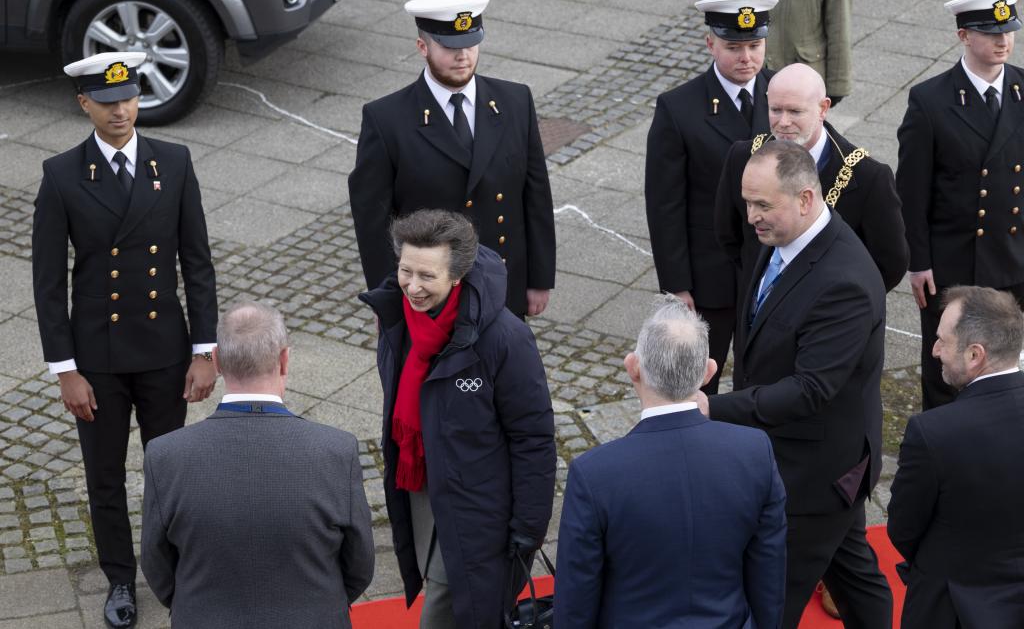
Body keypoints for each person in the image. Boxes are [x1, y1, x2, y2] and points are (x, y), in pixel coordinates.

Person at [32, 52, 217, 629]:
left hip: (164, 350)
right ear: (83, 103)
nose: (122, 110)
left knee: (169, 472)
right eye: (108, 101)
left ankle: (176, 572)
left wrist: (204, 352)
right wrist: (66, 369)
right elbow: (47, 283)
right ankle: (119, 579)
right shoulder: (62, 175)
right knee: (104, 476)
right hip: (98, 361)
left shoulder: (175, 161)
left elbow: (197, 263)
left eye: (130, 97)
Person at [706, 140, 892, 629]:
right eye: (748, 202)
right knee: (853, 571)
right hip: (818, 462)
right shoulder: (783, 240)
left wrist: (710, 410)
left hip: (814, 474)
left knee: (770, 602)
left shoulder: (843, 282)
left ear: (807, 199)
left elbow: (811, 389)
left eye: (763, 205)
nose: (751, 217)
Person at [359, 209, 556, 628]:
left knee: (449, 611)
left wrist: (529, 526)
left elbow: (533, 438)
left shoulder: (506, 339)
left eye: (427, 276)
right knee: (438, 589)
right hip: (420, 490)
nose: (412, 286)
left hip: (477, 507)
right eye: (405, 271)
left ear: (458, 276)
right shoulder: (397, 321)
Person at [555, 294, 787, 628]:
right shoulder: (754, 452)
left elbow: (576, 599)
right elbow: (768, 573)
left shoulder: (595, 475)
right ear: (708, 372)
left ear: (632, 366)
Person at [141, 301, 374, 627]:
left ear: (218, 362)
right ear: (284, 360)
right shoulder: (336, 451)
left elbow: (157, 565)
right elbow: (359, 565)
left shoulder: (165, 456)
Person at [349, 0, 555, 318]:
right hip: (431, 298)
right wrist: (389, 301)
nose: (463, 56)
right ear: (423, 47)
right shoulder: (387, 120)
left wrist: (539, 278)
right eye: (450, 47)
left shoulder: (515, 101)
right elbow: (373, 223)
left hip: (503, 286)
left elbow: (536, 195)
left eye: (471, 45)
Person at [896, 0, 1024, 409]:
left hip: (1015, 257)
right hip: (956, 263)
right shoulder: (930, 101)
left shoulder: (1023, 89)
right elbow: (911, 192)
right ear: (964, 36)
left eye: (1009, 31)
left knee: (1008, 364)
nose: (1003, 41)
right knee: (946, 370)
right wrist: (918, 262)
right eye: (991, 33)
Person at [644, 0, 778, 394]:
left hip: (770, 267)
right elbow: (665, 203)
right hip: (710, 275)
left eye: (754, 46)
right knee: (699, 380)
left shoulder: (781, 94)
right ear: (710, 45)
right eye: (734, 48)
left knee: (765, 375)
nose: (746, 58)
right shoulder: (678, 108)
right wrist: (677, 285)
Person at [887, 286, 1024, 629]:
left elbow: (903, 530)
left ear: (975, 354)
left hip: (950, 609)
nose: (934, 351)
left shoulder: (932, 432)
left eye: (943, 341)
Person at [716, 63, 908, 297]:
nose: (783, 122)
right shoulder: (742, 157)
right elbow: (729, 236)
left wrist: (846, 303)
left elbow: (890, 263)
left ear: (823, 108)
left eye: (795, 112)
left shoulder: (868, 177)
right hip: (758, 311)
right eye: (775, 110)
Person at [723, 0, 852, 104]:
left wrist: (838, 85)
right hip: (753, 75)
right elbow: (729, 8)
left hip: (802, 77)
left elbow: (839, 20)